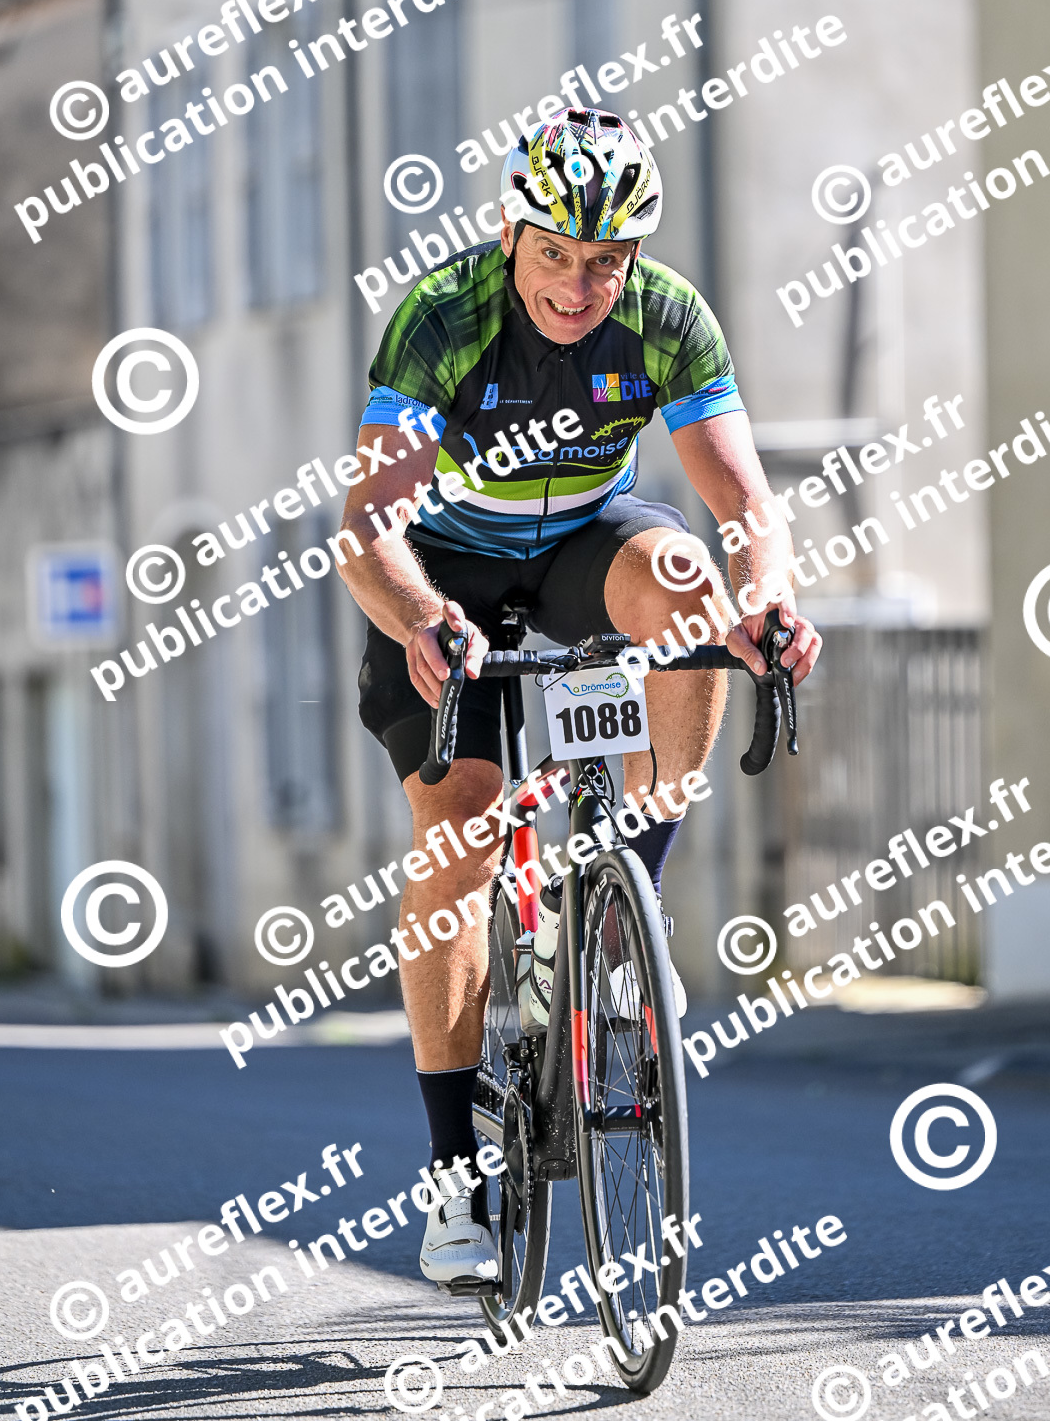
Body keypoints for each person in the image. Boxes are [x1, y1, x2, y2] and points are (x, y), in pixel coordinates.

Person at [336, 107, 820, 1291]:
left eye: (605, 261)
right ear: (512, 233)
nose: (577, 285)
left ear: (635, 257)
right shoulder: (444, 315)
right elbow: (367, 524)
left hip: (581, 543)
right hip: (442, 566)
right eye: (554, 252)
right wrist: (419, 618)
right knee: (460, 823)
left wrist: (766, 602)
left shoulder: (666, 317)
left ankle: (621, 915)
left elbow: (742, 504)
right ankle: (454, 1179)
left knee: (688, 579)